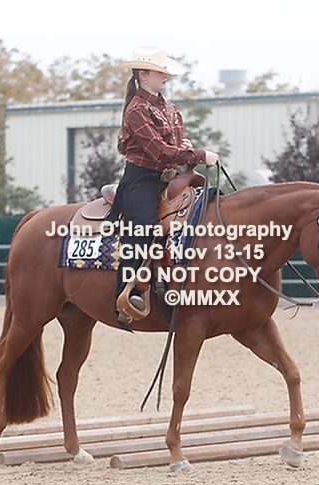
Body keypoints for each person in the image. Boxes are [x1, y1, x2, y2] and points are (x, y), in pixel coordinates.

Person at [111, 46, 219, 327]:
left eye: (165, 72)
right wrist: (198, 155)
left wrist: (185, 148)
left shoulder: (170, 108)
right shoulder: (136, 110)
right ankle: (127, 295)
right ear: (143, 75)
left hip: (169, 177)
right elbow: (158, 151)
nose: (165, 76)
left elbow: (174, 146)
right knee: (143, 227)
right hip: (141, 179)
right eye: (160, 72)